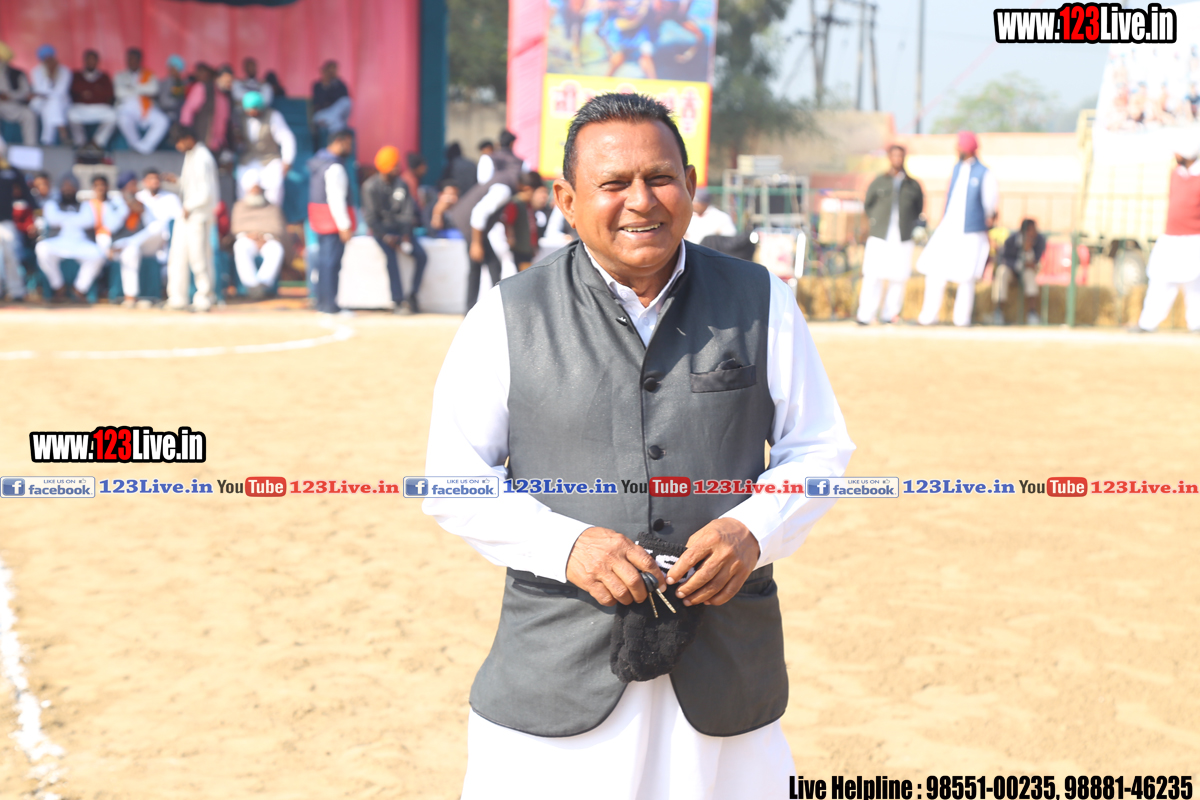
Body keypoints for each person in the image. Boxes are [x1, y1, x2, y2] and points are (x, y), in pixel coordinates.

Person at [423, 92, 854, 799]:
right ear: (567, 199)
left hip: (724, 666)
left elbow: (819, 448)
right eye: (613, 183)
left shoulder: (761, 300)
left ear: (691, 184)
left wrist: (754, 528)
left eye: (659, 178)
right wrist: (565, 546)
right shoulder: (507, 314)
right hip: (558, 669)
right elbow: (452, 478)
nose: (641, 201)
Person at [916, 130, 998, 327]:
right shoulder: (956, 169)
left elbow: (990, 205)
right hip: (948, 229)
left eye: (959, 145)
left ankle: (962, 320)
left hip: (972, 231)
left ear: (967, 148)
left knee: (966, 276)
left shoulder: (984, 173)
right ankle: (928, 317)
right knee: (935, 270)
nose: (956, 149)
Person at [449, 130, 523, 309]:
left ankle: (475, 309)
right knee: (487, 265)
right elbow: (479, 213)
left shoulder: (492, 160)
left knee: (484, 266)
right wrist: (476, 243)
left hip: (476, 222)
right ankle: (489, 309)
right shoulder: (508, 182)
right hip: (472, 222)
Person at [1136, 136, 1200, 333]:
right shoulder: (1175, 174)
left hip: (1194, 238)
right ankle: (1147, 323)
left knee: (1195, 284)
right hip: (1171, 237)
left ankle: (1197, 324)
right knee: (1160, 279)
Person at [856, 144, 924, 325]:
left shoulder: (912, 185)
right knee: (872, 275)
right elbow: (868, 204)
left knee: (899, 276)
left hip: (903, 235)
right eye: (894, 156)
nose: (897, 159)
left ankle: (890, 314)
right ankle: (865, 315)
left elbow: (918, 208)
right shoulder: (879, 181)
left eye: (900, 156)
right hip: (879, 234)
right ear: (889, 157)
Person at [36, 174, 128, 302]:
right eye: (65, 186)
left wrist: (64, 219)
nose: (68, 189)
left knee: (98, 254)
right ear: (61, 188)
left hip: (80, 242)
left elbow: (88, 220)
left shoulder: (85, 205)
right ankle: (58, 287)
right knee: (41, 248)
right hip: (58, 241)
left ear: (76, 188)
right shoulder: (52, 204)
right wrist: (75, 219)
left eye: (71, 186)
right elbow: (52, 219)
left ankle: (79, 289)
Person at [363, 145, 425, 313]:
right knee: (391, 258)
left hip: (401, 231)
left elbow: (408, 212)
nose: (397, 168)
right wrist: (385, 236)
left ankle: (412, 296)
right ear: (385, 167)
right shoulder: (370, 186)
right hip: (382, 232)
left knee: (421, 255)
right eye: (394, 165)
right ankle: (397, 301)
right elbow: (371, 218)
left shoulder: (401, 184)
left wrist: (405, 234)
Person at [166, 126, 219, 312]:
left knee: (199, 258)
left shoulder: (203, 157)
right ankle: (177, 298)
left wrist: (189, 206)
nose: (178, 146)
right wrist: (178, 181)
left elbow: (206, 192)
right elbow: (193, 186)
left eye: (179, 142)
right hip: (187, 214)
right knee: (177, 257)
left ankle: (204, 298)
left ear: (188, 138)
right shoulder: (192, 155)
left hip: (198, 215)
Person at [111, 168, 181, 306]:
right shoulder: (135, 197)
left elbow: (175, 222)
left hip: (161, 242)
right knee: (130, 251)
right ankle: (130, 297)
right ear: (144, 182)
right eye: (151, 179)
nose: (154, 182)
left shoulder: (170, 198)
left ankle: (126, 244)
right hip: (138, 243)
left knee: (158, 227)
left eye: (156, 179)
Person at [307, 129, 355, 314]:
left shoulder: (319, 162)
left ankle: (323, 302)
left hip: (321, 221)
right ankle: (330, 305)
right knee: (331, 264)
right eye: (349, 144)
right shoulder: (334, 167)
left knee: (324, 263)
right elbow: (336, 199)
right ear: (340, 142)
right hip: (332, 222)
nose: (350, 148)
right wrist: (344, 225)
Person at [230, 171, 286, 300]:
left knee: (276, 249)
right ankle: (251, 285)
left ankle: (263, 283)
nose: (256, 192)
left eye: (258, 189)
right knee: (240, 246)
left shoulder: (272, 207)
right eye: (253, 189)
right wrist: (250, 236)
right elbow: (235, 229)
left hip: (267, 240)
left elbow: (278, 228)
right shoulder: (239, 206)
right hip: (247, 239)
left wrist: (265, 237)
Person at [235, 91, 294, 207]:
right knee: (243, 188)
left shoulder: (273, 116)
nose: (252, 112)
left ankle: (272, 215)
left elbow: (287, 138)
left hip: (270, 160)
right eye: (249, 110)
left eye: (254, 109)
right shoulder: (240, 117)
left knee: (274, 189)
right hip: (249, 160)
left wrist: (287, 161)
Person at [114, 48, 169, 155]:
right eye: (129, 59)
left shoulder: (149, 75)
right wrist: (142, 89)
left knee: (163, 120)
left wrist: (131, 88)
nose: (131, 62)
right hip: (127, 108)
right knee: (122, 119)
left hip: (146, 107)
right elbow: (119, 93)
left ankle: (144, 147)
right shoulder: (120, 76)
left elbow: (153, 90)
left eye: (134, 59)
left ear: (139, 60)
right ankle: (135, 145)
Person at [994, 218, 1046, 326]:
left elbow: (1035, 262)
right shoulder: (1011, 240)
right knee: (1002, 272)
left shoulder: (1039, 240)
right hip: (1011, 270)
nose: (1035, 232)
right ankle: (999, 311)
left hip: (1027, 271)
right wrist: (1020, 265)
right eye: (1032, 230)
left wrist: (1028, 250)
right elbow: (1003, 259)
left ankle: (1032, 313)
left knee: (1030, 274)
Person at [68, 50, 118, 151]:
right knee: (71, 114)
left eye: (93, 60)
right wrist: (95, 91)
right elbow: (74, 90)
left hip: (100, 107)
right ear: (84, 61)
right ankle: (81, 143)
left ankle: (97, 142)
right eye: (89, 59)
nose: (91, 62)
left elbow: (108, 94)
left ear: (97, 62)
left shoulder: (104, 77)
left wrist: (88, 93)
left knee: (114, 115)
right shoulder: (76, 75)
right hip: (81, 107)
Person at [0, 139, 30, 300]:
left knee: (11, 255)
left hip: (6, 221)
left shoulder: (11, 170)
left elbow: (25, 192)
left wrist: (36, 209)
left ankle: (17, 290)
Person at [180, 64, 230, 154]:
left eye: (230, 82)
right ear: (217, 78)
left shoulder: (227, 95)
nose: (228, 84)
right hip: (201, 142)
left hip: (219, 146)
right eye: (226, 81)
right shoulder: (203, 88)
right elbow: (188, 111)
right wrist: (187, 134)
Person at [29, 45, 71, 146]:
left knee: (52, 104)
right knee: (52, 103)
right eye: (45, 59)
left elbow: (60, 92)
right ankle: (62, 130)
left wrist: (53, 75)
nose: (48, 61)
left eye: (50, 58)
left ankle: (47, 141)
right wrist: (49, 76)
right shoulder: (36, 71)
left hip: (61, 103)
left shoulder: (64, 71)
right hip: (40, 102)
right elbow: (40, 91)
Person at [503, 171, 543, 272]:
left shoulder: (528, 205)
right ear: (527, 189)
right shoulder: (515, 204)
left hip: (528, 248)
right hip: (520, 248)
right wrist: (511, 238)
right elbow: (508, 222)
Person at [0, 42, 37, 146]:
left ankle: (30, 146)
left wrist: (9, 96)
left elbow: (25, 92)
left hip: (14, 105)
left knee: (29, 115)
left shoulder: (18, 73)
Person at [312, 60, 352, 136]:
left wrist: (335, 84)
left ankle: (330, 120)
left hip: (334, 116)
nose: (331, 73)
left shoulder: (340, 85)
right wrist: (325, 84)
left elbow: (343, 103)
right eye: (329, 71)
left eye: (334, 71)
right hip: (322, 114)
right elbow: (320, 102)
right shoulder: (318, 85)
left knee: (346, 101)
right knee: (337, 123)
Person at [158, 55, 189, 123]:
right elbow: (163, 102)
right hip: (163, 116)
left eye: (174, 68)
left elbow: (176, 102)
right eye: (170, 68)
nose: (171, 70)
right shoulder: (164, 83)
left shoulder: (181, 83)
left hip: (176, 117)